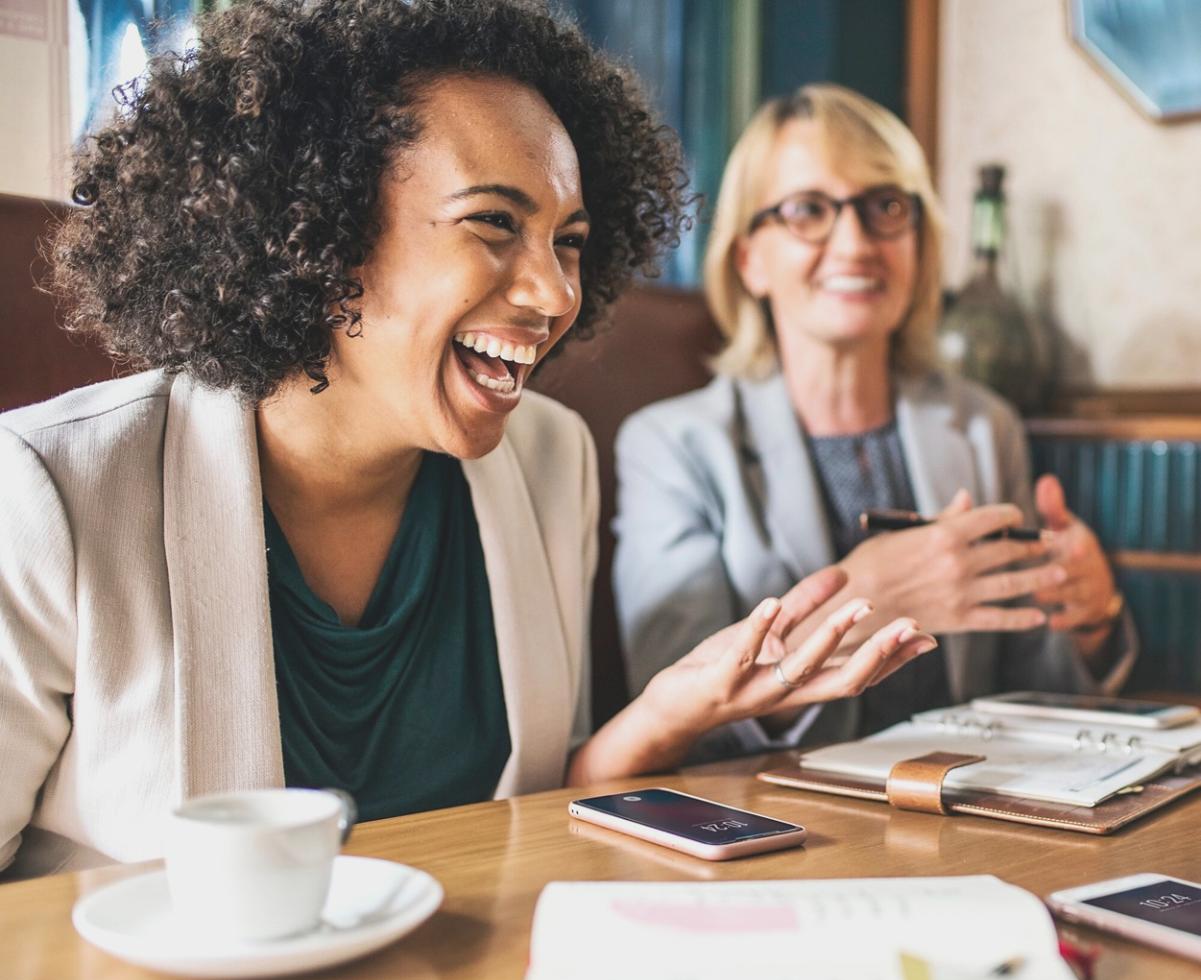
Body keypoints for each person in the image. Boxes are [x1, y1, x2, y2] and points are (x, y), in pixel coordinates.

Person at [0, 4, 932, 878]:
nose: (556, 293)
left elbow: (523, 806)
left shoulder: (550, 460)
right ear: (318, 234)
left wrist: (664, 712)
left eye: (568, 241)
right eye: (493, 222)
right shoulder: (51, 492)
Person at [613, 84, 1135, 761]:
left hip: (965, 815)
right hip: (775, 831)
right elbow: (676, 715)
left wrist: (1091, 619)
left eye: (885, 206)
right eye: (807, 210)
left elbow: (1031, 695)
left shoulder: (984, 426)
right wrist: (865, 599)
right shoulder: (670, 446)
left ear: (917, 241)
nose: (855, 242)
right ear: (750, 260)